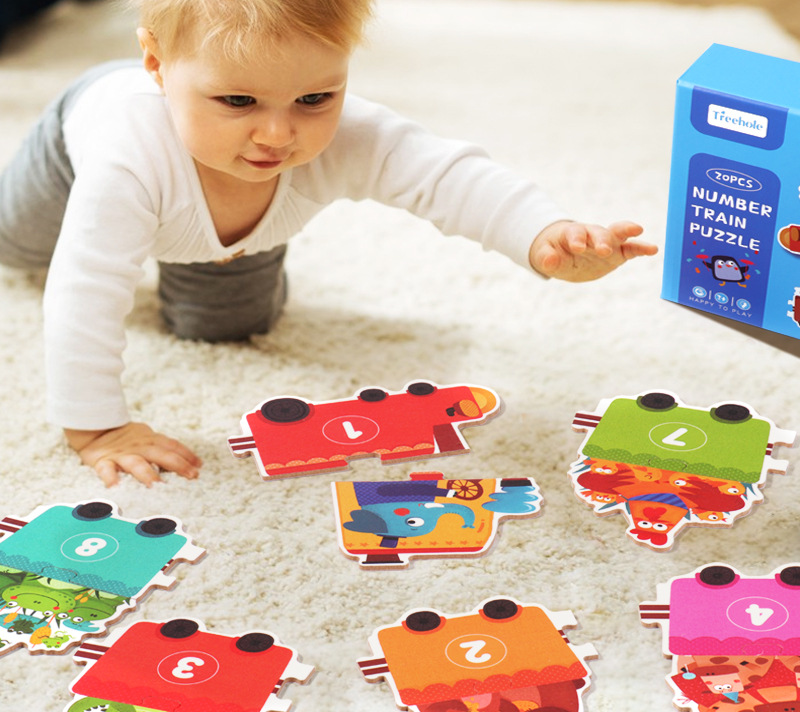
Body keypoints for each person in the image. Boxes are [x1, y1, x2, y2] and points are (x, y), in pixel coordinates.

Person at [0, 0, 658, 488]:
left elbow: (445, 176)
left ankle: (228, 232)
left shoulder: (346, 135)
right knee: (19, 247)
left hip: (235, 238)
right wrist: (97, 427)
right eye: (238, 101)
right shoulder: (124, 159)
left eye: (315, 96)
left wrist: (543, 234)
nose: (277, 135)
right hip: (73, 150)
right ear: (155, 64)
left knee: (225, 328)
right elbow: (84, 291)